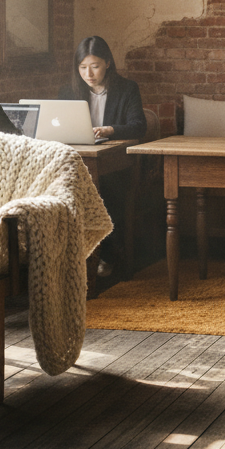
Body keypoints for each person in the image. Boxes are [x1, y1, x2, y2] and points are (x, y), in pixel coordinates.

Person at [58, 36, 146, 278]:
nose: (89, 74)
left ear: (107, 63)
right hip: (81, 161)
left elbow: (139, 126)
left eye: (94, 66)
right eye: (83, 67)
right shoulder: (68, 91)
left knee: (102, 189)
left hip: (116, 164)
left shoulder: (127, 89)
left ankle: (105, 254)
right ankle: (73, 257)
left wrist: (110, 129)